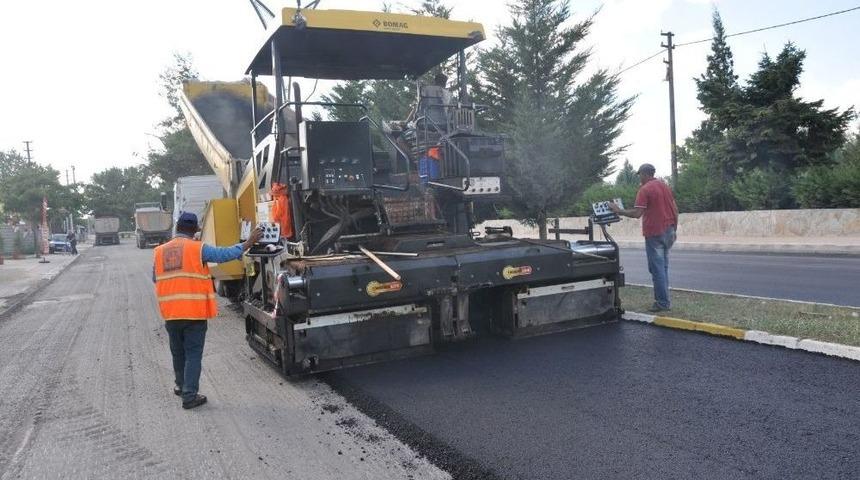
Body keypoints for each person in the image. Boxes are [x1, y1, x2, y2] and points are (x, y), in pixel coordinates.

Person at [153, 212, 262, 409]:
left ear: (177, 227)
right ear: (195, 230)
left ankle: (180, 386)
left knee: (178, 353)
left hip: (170, 312)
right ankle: (189, 396)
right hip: (193, 312)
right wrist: (249, 243)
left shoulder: (159, 251)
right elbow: (224, 255)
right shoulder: (198, 248)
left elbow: (156, 278)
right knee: (193, 354)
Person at [609, 163, 679, 313]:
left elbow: (637, 214)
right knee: (663, 267)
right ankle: (665, 300)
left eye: (640, 175)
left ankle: (662, 303)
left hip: (654, 233)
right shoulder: (664, 186)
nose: (639, 178)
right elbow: (675, 209)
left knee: (657, 269)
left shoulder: (645, 189)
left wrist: (618, 210)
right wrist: (674, 229)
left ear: (644, 174)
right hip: (669, 230)